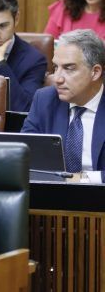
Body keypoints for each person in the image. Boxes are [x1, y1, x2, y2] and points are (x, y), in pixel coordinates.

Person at [22, 29, 105, 183]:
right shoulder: (44, 100)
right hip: (52, 198)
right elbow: (25, 157)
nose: (57, 79)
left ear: (95, 72)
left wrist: (80, 179)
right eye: (55, 68)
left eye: (68, 68)